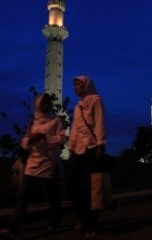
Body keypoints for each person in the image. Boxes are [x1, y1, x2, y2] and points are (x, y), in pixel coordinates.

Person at [1, 93, 67, 235]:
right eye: (43, 102)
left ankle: (55, 224)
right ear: (37, 104)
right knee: (24, 197)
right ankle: (13, 227)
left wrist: (45, 137)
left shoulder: (55, 120)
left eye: (48, 103)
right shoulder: (33, 121)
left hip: (49, 163)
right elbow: (25, 140)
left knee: (52, 196)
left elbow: (62, 138)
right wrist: (29, 142)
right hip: (33, 164)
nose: (46, 105)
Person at [67, 76, 106, 239]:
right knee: (70, 185)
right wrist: (71, 148)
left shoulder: (96, 100)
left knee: (92, 189)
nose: (75, 87)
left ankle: (91, 225)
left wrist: (100, 145)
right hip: (77, 151)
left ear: (86, 85)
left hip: (91, 149)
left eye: (78, 84)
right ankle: (83, 218)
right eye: (74, 85)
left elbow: (99, 123)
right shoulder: (77, 107)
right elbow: (74, 130)